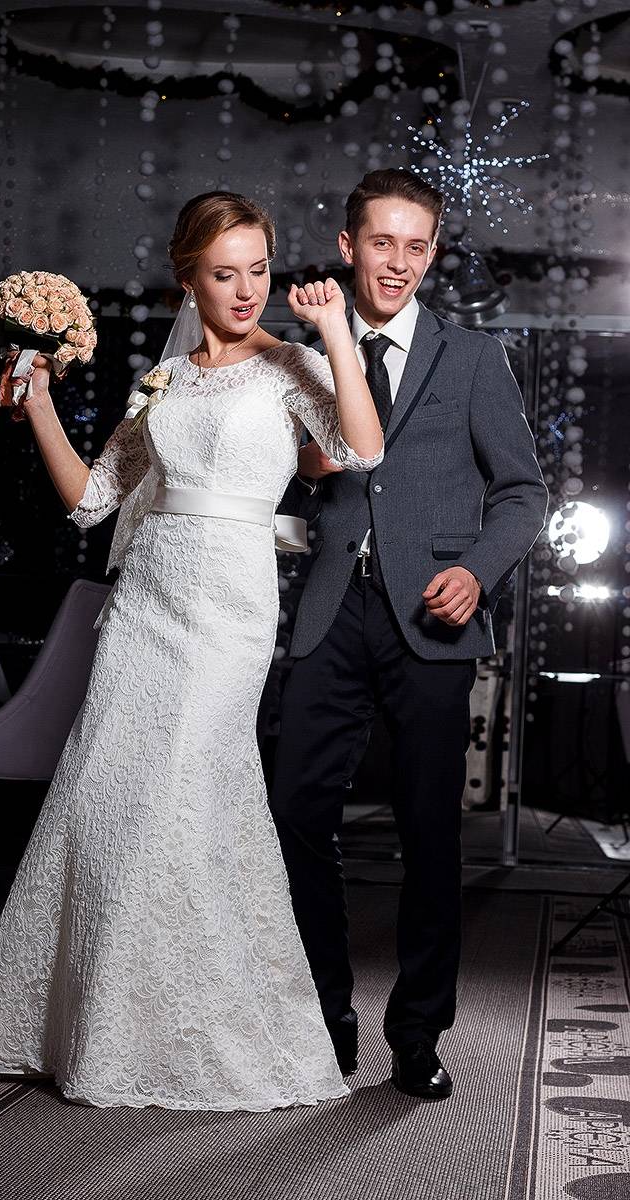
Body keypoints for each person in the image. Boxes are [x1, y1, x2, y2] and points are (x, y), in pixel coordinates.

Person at [0, 191, 384, 1110]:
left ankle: (203, 1019)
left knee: (190, 791)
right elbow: (90, 501)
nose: (246, 289)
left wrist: (335, 334)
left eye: (258, 269)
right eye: (224, 273)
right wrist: (39, 401)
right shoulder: (164, 380)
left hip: (229, 607)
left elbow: (361, 447)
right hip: (145, 600)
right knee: (111, 797)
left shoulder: (292, 365)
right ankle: (105, 1022)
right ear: (189, 279)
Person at [271, 169, 548, 1099]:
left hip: (432, 615)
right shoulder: (307, 352)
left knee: (431, 829)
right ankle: (325, 1017)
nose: (398, 262)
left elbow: (524, 492)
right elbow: (285, 474)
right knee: (297, 811)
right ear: (348, 246)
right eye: (382, 243)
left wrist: (478, 570)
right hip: (329, 612)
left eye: (416, 247)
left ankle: (419, 1034)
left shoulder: (472, 357)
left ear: (432, 254)